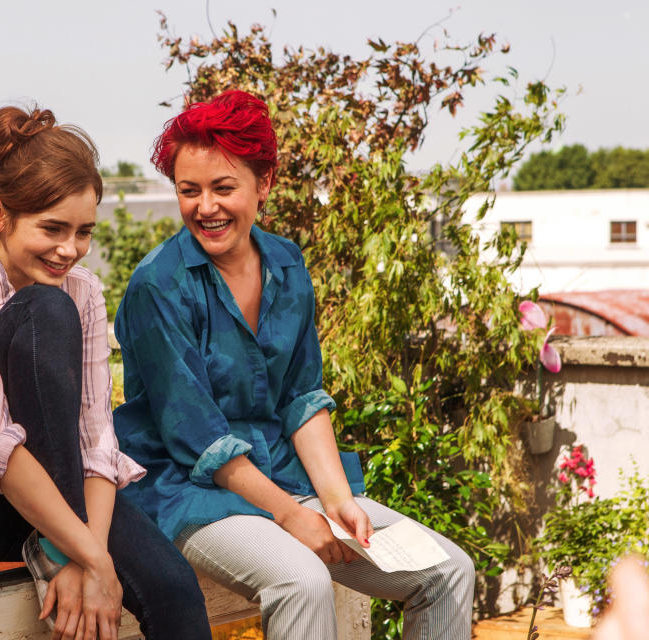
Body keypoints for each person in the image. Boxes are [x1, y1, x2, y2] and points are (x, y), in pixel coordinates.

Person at [113, 90, 476, 639]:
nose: (205, 207)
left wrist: (336, 500)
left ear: (264, 185)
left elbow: (302, 398)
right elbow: (199, 443)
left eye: (223, 187)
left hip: (284, 475)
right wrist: (291, 514)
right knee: (301, 578)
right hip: (189, 490)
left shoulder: (285, 263)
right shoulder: (159, 286)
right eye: (190, 191)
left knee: (448, 571)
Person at [0, 105, 212, 640]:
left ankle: (56, 542)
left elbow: (96, 440)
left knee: (171, 585)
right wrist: (90, 560)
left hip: (51, 492)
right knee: (45, 310)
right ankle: (54, 544)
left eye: (83, 232)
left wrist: (91, 552)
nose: (69, 250)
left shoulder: (84, 290)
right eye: (52, 228)